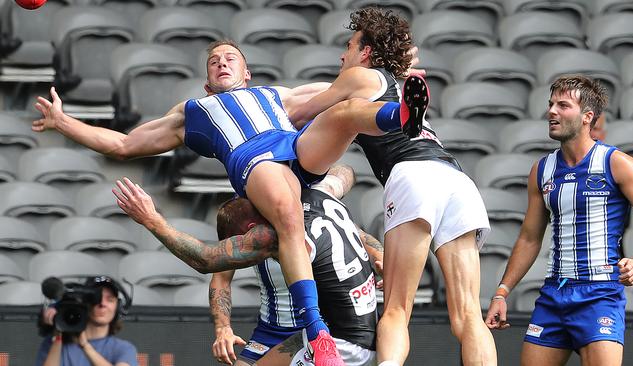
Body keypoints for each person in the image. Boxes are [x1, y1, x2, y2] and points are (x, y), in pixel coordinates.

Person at [32, 39, 424, 366]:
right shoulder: (193, 112)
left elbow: (354, 82)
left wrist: (395, 69)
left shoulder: (278, 96)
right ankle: (317, 329)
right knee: (290, 216)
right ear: (206, 83)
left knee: (345, 112)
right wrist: (64, 122)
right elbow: (122, 144)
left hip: (297, 152)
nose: (221, 62)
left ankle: (403, 115)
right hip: (258, 160)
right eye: (213, 61)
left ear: (247, 72)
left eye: (230, 57)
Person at [288, 7, 497, 366]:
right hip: (457, 179)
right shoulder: (399, 84)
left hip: (413, 176)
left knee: (397, 309)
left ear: (365, 53)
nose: (343, 54)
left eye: (350, 46)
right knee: (468, 315)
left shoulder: (360, 77)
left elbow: (301, 114)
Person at [112, 166, 383, 366]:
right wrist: (223, 328)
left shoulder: (271, 230)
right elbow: (221, 277)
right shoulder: (269, 204)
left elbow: (205, 258)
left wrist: (153, 221)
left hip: (324, 328)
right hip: (274, 329)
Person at [485, 75, 633, 366]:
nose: (551, 111)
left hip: (600, 295)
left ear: (588, 117)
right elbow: (529, 237)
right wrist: (502, 292)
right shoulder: (542, 169)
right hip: (554, 295)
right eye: (551, 104)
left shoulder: (616, 163)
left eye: (563, 105)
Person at [35, 276, 138, 366]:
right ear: (84, 304)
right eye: (95, 299)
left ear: (118, 308)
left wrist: (85, 346)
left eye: (109, 299)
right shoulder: (54, 342)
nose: (102, 304)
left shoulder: (125, 349)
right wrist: (57, 337)